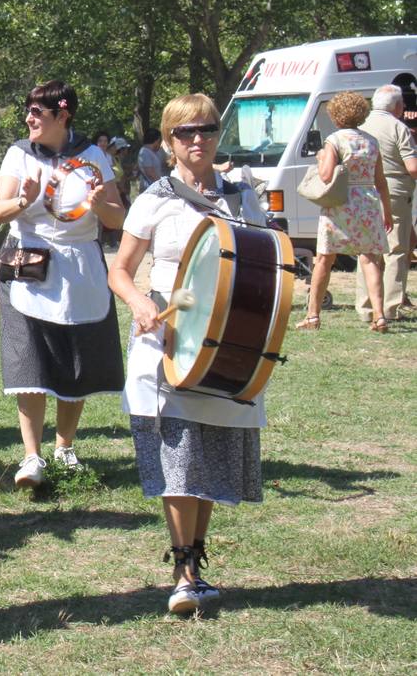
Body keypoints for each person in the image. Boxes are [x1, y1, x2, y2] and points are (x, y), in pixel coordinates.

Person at [109, 93, 269, 615]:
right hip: (168, 343)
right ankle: (184, 571)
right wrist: (139, 305)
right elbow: (121, 270)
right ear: (167, 140)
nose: (197, 139)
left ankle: (196, 562)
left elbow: (266, 266)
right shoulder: (155, 197)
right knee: (178, 460)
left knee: (207, 458)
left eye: (206, 129)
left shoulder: (243, 197)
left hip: (229, 346)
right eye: (185, 132)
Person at [0, 80, 126, 487]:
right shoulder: (18, 153)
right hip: (28, 262)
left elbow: (119, 219)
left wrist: (102, 203)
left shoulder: (93, 156)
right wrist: (24, 200)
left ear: (62, 116)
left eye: (38, 113)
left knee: (75, 354)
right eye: (28, 111)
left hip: (80, 264)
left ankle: (64, 448)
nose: (29, 118)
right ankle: (31, 457)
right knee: (29, 354)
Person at [296, 91, 392, 332]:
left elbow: (327, 175)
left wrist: (320, 159)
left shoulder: (334, 140)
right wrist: (387, 211)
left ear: (336, 115)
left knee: (324, 260)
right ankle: (379, 316)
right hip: (368, 202)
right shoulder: (371, 141)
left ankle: (313, 315)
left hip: (341, 202)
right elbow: (381, 181)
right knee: (370, 259)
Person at [357, 85, 417, 323]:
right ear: (397, 106)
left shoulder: (360, 125)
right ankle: (391, 307)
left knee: (368, 251)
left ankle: (366, 307)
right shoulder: (398, 127)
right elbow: (412, 167)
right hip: (393, 191)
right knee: (395, 250)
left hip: (362, 191)